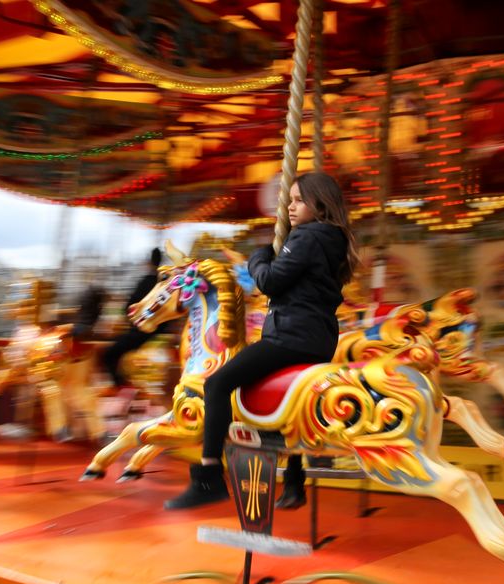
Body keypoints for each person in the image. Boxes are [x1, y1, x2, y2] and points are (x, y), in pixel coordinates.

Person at [165, 172, 359, 510]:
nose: (291, 207)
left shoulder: (306, 237)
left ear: (319, 203)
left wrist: (258, 257)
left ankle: (209, 474)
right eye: (291, 199)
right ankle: (295, 482)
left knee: (217, 384)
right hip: (319, 338)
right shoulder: (335, 239)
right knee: (292, 404)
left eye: (298, 200)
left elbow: (269, 282)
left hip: (291, 335)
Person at [101, 247, 166, 400]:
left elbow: (130, 307)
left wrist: (128, 318)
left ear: (149, 262)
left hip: (142, 332)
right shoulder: (163, 283)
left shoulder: (146, 281)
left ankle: (120, 385)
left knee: (109, 353)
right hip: (159, 330)